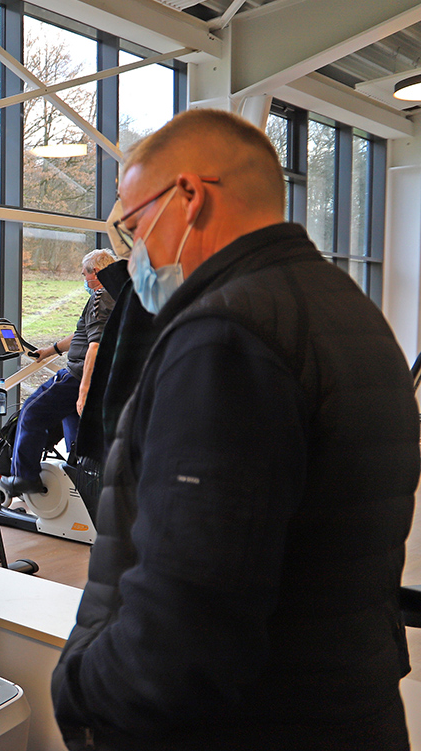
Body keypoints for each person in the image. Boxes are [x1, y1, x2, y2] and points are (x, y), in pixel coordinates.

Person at [51, 109, 419, 750]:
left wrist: (80, 692)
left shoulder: (225, 337)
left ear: (189, 198)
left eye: (135, 227)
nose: (135, 255)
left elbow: (186, 623)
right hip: (349, 706)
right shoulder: (349, 310)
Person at [0, 248, 116, 497]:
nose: (84, 280)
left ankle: (23, 477)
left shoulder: (100, 297)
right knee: (75, 430)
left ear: (96, 273)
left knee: (31, 413)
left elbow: (95, 345)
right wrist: (51, 350)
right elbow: (83, 333)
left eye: (85, 274)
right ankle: (81, 480)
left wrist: (83, 390)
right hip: (94, 377)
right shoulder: (115, 296)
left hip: (77, 376)